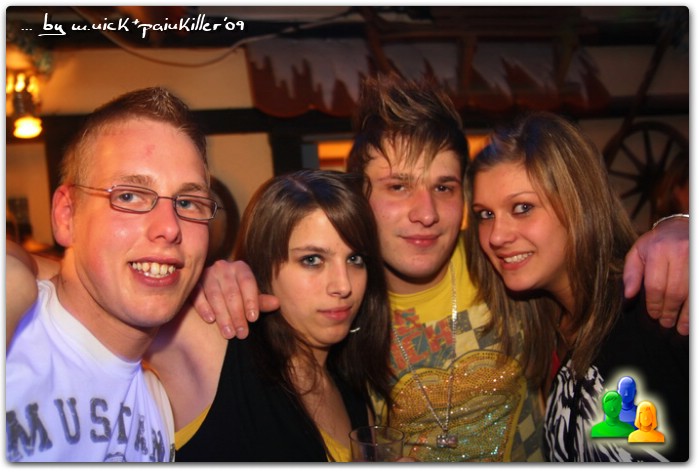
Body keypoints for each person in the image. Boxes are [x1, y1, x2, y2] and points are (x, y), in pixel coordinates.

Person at [191, 75, 690, 461]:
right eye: (398, 186)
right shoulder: (342, 307)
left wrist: (677, 225)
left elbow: (590, 257)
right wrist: (222, 277)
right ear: (360, 197)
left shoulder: (502, 266)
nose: (426, 213)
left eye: (444, 187)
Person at [5, 87, 215, 462]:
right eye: (130, 195)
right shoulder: (16, 334)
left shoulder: (163, 406)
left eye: (187, 202)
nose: (169, 227)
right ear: (66, 216)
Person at [466, 111, 689, 461]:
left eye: (522, 207)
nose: (496, 236)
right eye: (485, 214)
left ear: (579, 204)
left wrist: (682, 224)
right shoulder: (550, 323)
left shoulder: (654, 306)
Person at [145, 170, 392, 461]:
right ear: (263, 267)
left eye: (354, 259)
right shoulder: (219, 345)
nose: (343, 285)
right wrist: (193, 284)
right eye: (312, 260)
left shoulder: (353, 392)